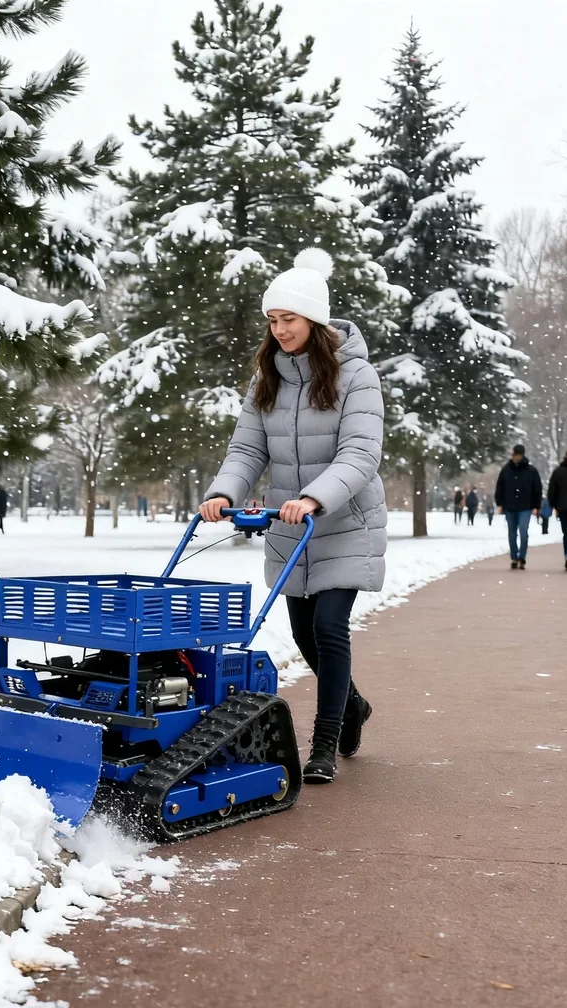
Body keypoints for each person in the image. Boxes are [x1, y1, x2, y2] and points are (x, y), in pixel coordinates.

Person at [198, 247, 385, 785]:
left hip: (344, 520)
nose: (279, 330)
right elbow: (246, 450)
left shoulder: (357, 377)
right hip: (290, 526)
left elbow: (359, 455)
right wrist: (224, 493)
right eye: (273, 321)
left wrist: (313, 498)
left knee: (329, 628)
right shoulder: (267, 380)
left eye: (289, 319)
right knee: (303, 634)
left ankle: (324, 742)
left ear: (315, 320)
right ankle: (353, 704)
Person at [494, 444, 543, 570]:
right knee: (512, 533)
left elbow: (537, 489)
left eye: (519, 455)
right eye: (515, 455)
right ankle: (514, 556)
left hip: (525, 506)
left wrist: (536, 505)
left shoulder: (531, 471)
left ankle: (522, 557)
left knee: (523, 531)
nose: (517, 458)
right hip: (510, 505)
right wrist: (499, 503)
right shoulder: (506, 470)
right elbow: (500, 487)